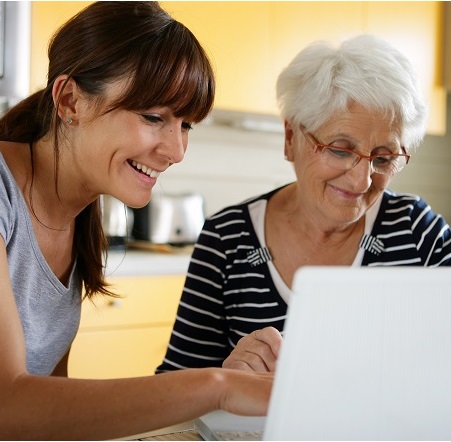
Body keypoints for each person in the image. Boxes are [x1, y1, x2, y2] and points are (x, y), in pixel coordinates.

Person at [0, 2, 273, 439]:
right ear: (70, 100)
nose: (176, 150)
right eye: (153, 117)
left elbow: (53, 410)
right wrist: (218, 386)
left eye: (186, 125)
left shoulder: (78, 211)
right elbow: (9, 405)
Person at [156, 34, 451, 375]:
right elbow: (174, 387)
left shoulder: (420, 235)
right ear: (291, 138)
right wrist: (223, 381)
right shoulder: (228, 239)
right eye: (340, 149)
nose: (362, 181)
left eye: (383, 159)